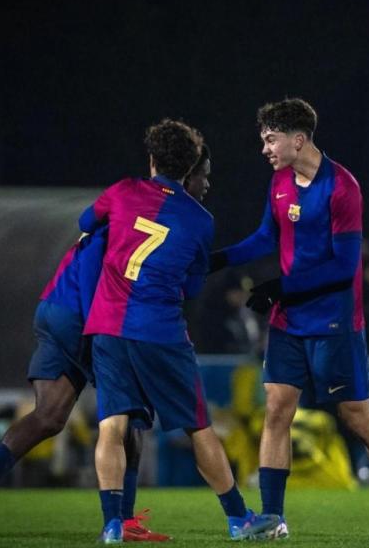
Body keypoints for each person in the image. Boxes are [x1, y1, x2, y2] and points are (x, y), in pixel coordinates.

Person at [0, 145, 214, 544]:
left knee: (50, 417)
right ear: (184, 175)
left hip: (58, 305)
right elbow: (96, 262)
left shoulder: (133, 204)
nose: (206, 185)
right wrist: (100, 328)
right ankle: (123, 520)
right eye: (203, 175)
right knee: (130, 415)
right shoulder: (150, 212)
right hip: (84, 314)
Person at [209, 98, 369, 540]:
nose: (265, 150)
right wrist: (215, 261)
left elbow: (344, 267)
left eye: (271, 140)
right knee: (276, 409)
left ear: (299, 139)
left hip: (334, 323)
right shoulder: (278, 182)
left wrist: (280, 287)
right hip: (288, 323)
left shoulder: (342, 188)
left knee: (357, 417)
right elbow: (263, 239)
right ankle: (273, 517)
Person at [79, 122, 273, 543]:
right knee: (197, 426)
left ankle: (112, 525)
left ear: (152, 158)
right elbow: (192, 287)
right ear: (189, 169)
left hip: (108, 326)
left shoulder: (123, 191)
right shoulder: (199, 220)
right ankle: (238, 519)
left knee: (112, 426)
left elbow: (86, 222)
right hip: (159, 332)